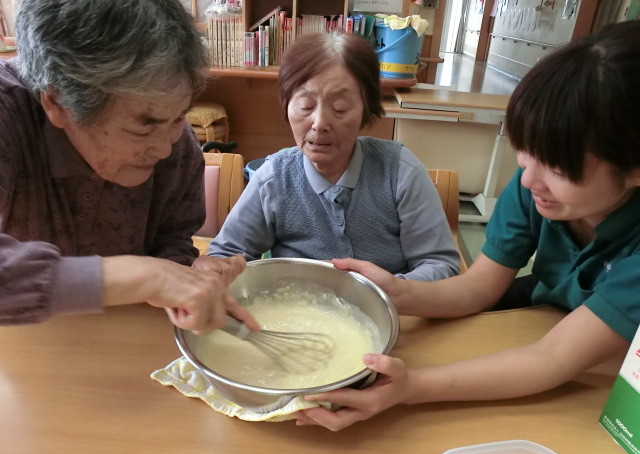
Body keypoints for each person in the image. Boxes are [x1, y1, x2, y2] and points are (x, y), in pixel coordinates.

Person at [292, 20, 640, 431]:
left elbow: (551, 359)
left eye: (558, 167)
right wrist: (398, 292)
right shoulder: (537, 189)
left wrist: (410, 388)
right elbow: (479, 287)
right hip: (546, 318)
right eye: (524, 153)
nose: (527, 180)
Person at [0, 0, 255, 334]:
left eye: (179, 116)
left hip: (124, 339)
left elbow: (172, 239)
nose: (165, 147)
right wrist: (145, 276)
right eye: (142, 127)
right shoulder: (7, 114)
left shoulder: (177, 146)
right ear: (56, 102)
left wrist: (189, 274)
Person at [199, 31, 460, 282]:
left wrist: (386, 292)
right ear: (287, 105)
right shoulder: (274, 178)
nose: (320, 123)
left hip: (392, 317)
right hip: (296, 316)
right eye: (306, 106)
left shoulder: (399, 171)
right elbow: (225, 257)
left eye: (340, 108)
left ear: (365, 109)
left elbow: (440, 265)